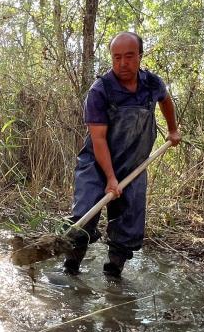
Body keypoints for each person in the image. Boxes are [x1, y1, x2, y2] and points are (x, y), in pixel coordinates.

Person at [64, 31, 181, 278]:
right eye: (117, 58)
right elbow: (98, 139)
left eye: (129, 57)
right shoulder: (100, 90)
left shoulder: (152, 84)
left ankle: (113, 277)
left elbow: (166, 101)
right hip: (96, 165)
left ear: (140, 56)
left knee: (128, 226)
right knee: (83, 218)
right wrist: (110, 178)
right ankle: (70, 271)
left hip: (134, 167)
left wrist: (173, 130)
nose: (122, 63)